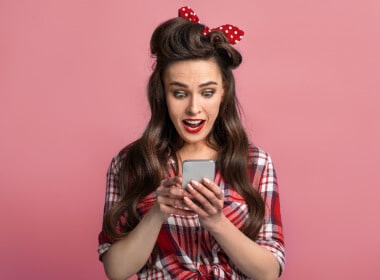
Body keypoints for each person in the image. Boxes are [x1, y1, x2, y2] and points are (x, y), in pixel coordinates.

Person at [98, 6, 285, 280]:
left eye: (207, 92)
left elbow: (269, 272)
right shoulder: (130, 163)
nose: (194, 108)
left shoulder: (256, 164)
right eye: (179, 93)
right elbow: (116, 270)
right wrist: (157, 213)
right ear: (162, 93)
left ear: (223, 92)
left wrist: (217, 222)